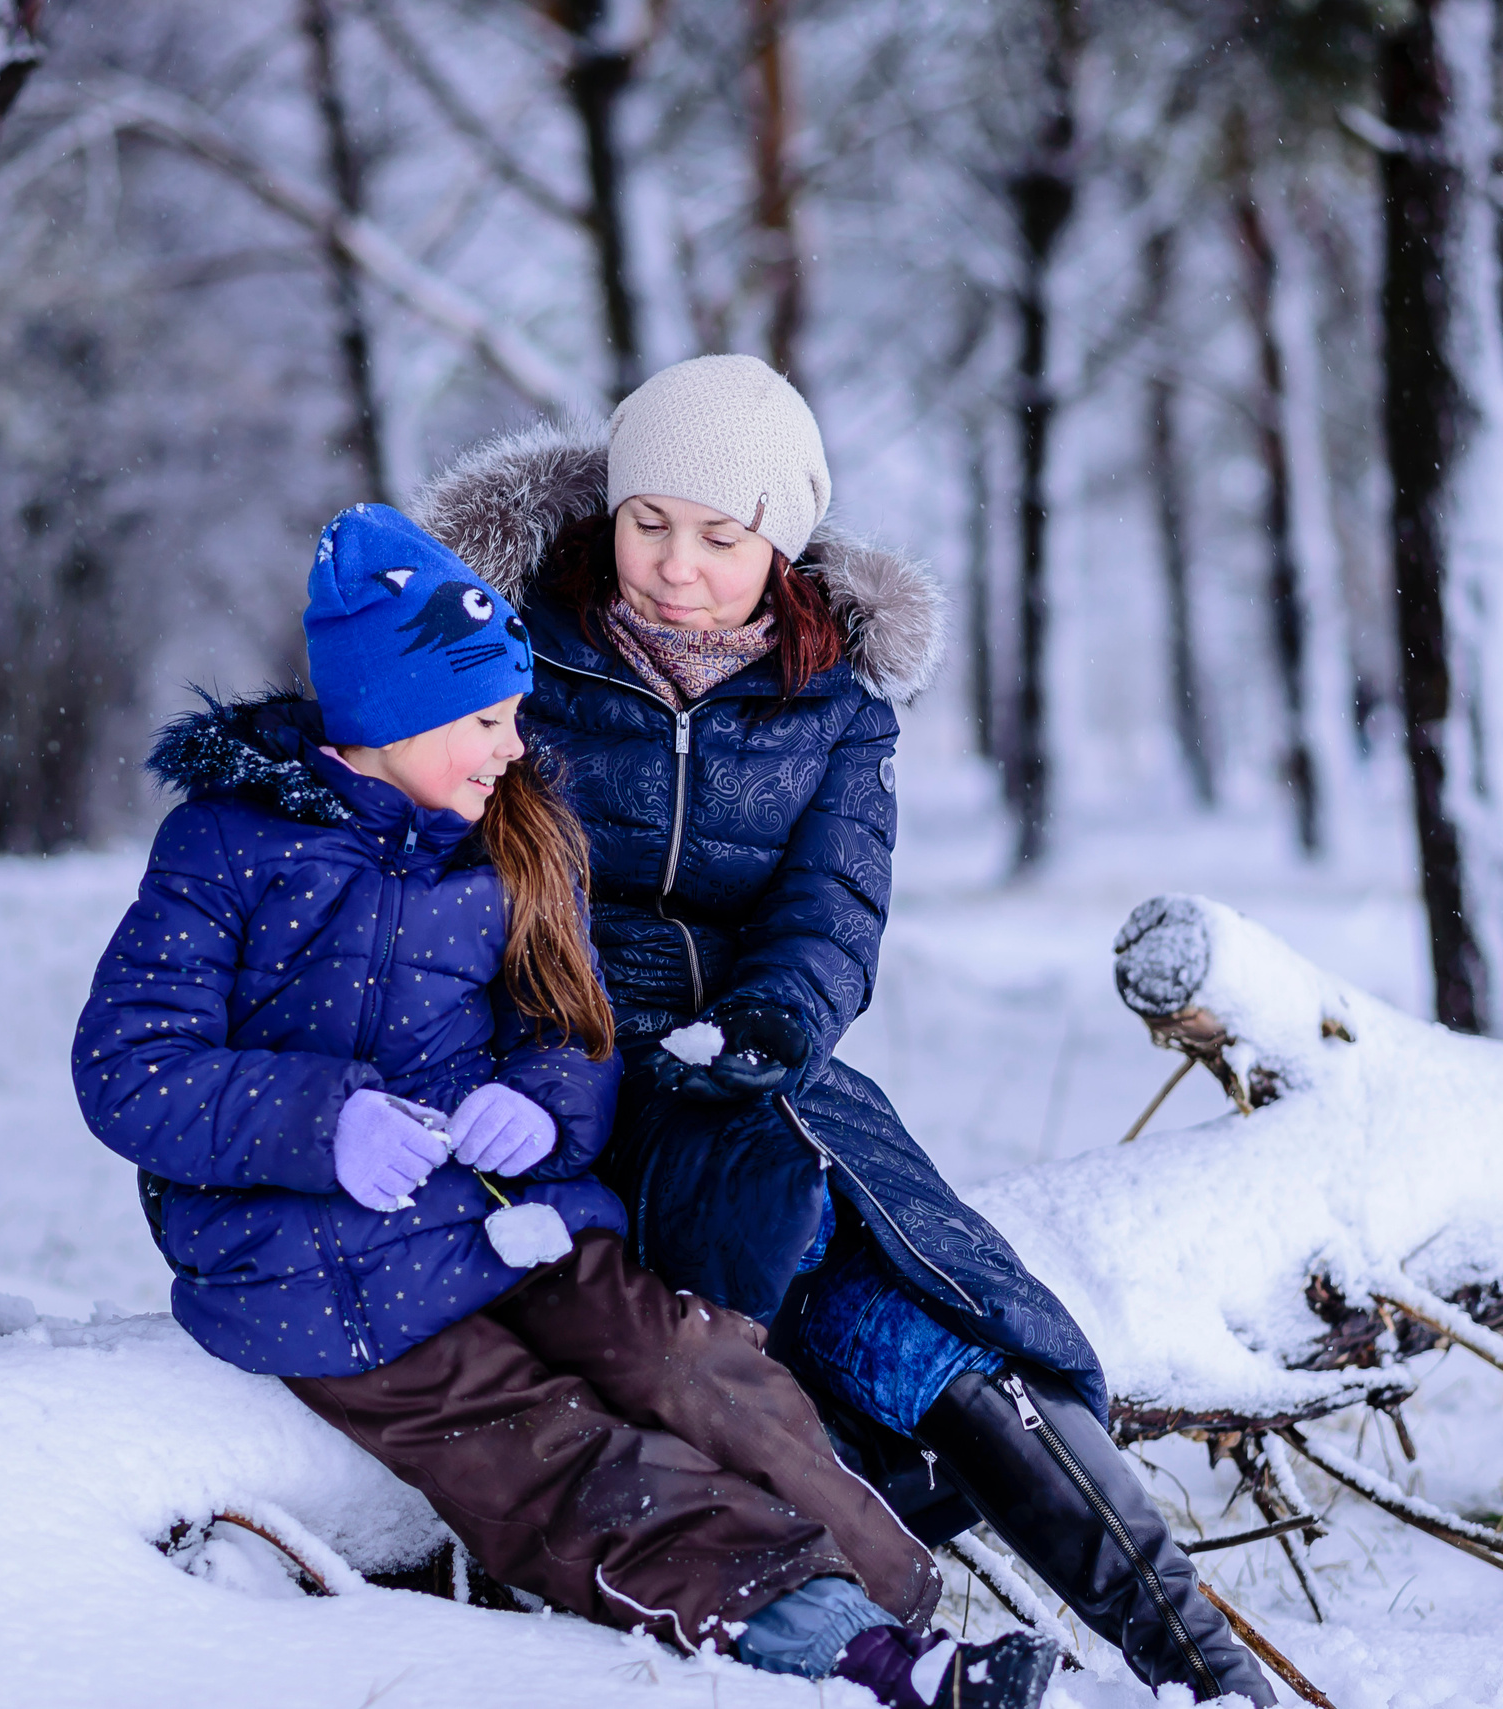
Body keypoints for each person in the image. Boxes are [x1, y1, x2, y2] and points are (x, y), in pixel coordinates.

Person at [70, 503, 1061, 1709]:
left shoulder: (514, 836)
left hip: (503, 1211)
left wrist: (538, 1110)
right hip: (311, 1262)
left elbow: (570, 1025)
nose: (512, 742)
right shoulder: (226, 849)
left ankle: (901, 1597)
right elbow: (130, 1064)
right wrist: (319, 1120)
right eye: (484, 718)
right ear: (388, 716)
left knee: (688, 1359)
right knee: (563, 1458)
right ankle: (867, 1657)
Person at [411, 357, 1279, 1705]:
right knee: (790, 1234)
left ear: (784, 545)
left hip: (766, 1068)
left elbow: (832, 909)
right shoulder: (518, 660)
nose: (676, 567)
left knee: (923, 1285)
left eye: (722, 536)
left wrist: (776, 1013)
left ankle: (1198, 1663)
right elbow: (474, 867)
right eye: (649, 522)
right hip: (564, 1063)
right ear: (608, 512)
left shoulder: (835, 709)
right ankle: (883, 1577)